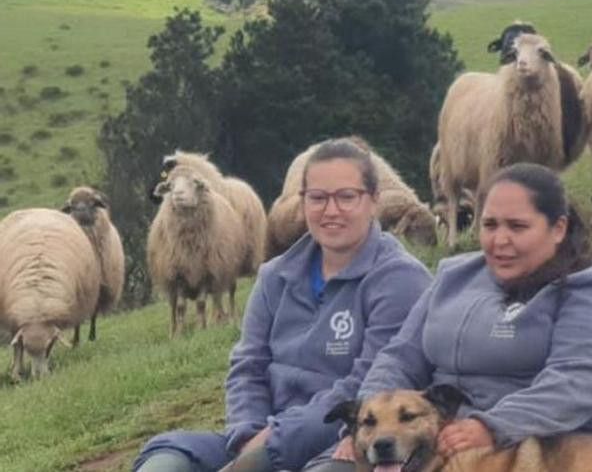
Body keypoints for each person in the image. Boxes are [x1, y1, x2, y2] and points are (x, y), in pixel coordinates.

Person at [309, 162, 592, 471]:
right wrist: (367, 424)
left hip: (556, 450)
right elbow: (401, 356)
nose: (500, 240)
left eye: (517, 226)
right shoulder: (455, 276)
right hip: (439, 443)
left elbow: (576, 383)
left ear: (558, 228)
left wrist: (491, 426)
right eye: (490, 225)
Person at [133, 138, 433, 472]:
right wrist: (248, 435)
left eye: (347, 197)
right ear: (302, 202)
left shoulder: (400, 280)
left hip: (343, 440)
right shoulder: (275, 275)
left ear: (374, 200)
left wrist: (273, 444)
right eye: (317, 198)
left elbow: (368, 385)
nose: (331, 211)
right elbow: (248, 366)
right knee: (166, 459)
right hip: (259, 437)